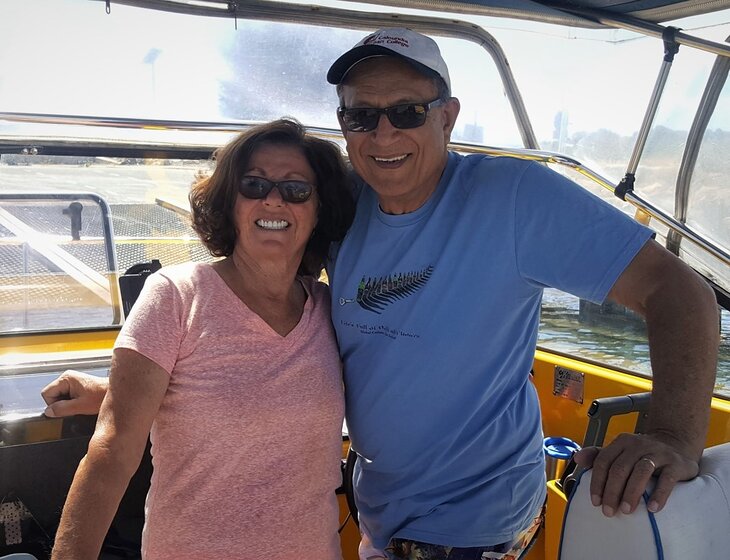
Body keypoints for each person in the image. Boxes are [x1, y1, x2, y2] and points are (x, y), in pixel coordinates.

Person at [44, 27, 720, 560]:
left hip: (472, 521)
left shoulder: (517, 197)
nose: (384, 133)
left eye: (407, 112)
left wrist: (672, 434)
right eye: (363, 116)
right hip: (380, 515)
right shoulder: (343, 207)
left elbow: (680, 291)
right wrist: (144, 388)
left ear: (447, 116)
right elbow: (265, 330)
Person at [48, 118, 355, 560]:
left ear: (319, 210)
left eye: (296, 189)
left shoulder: (331, 309)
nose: (273, 199)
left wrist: (105, 390)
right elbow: (112, 451)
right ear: (230, 202)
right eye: (254, 184)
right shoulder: (176, 295)